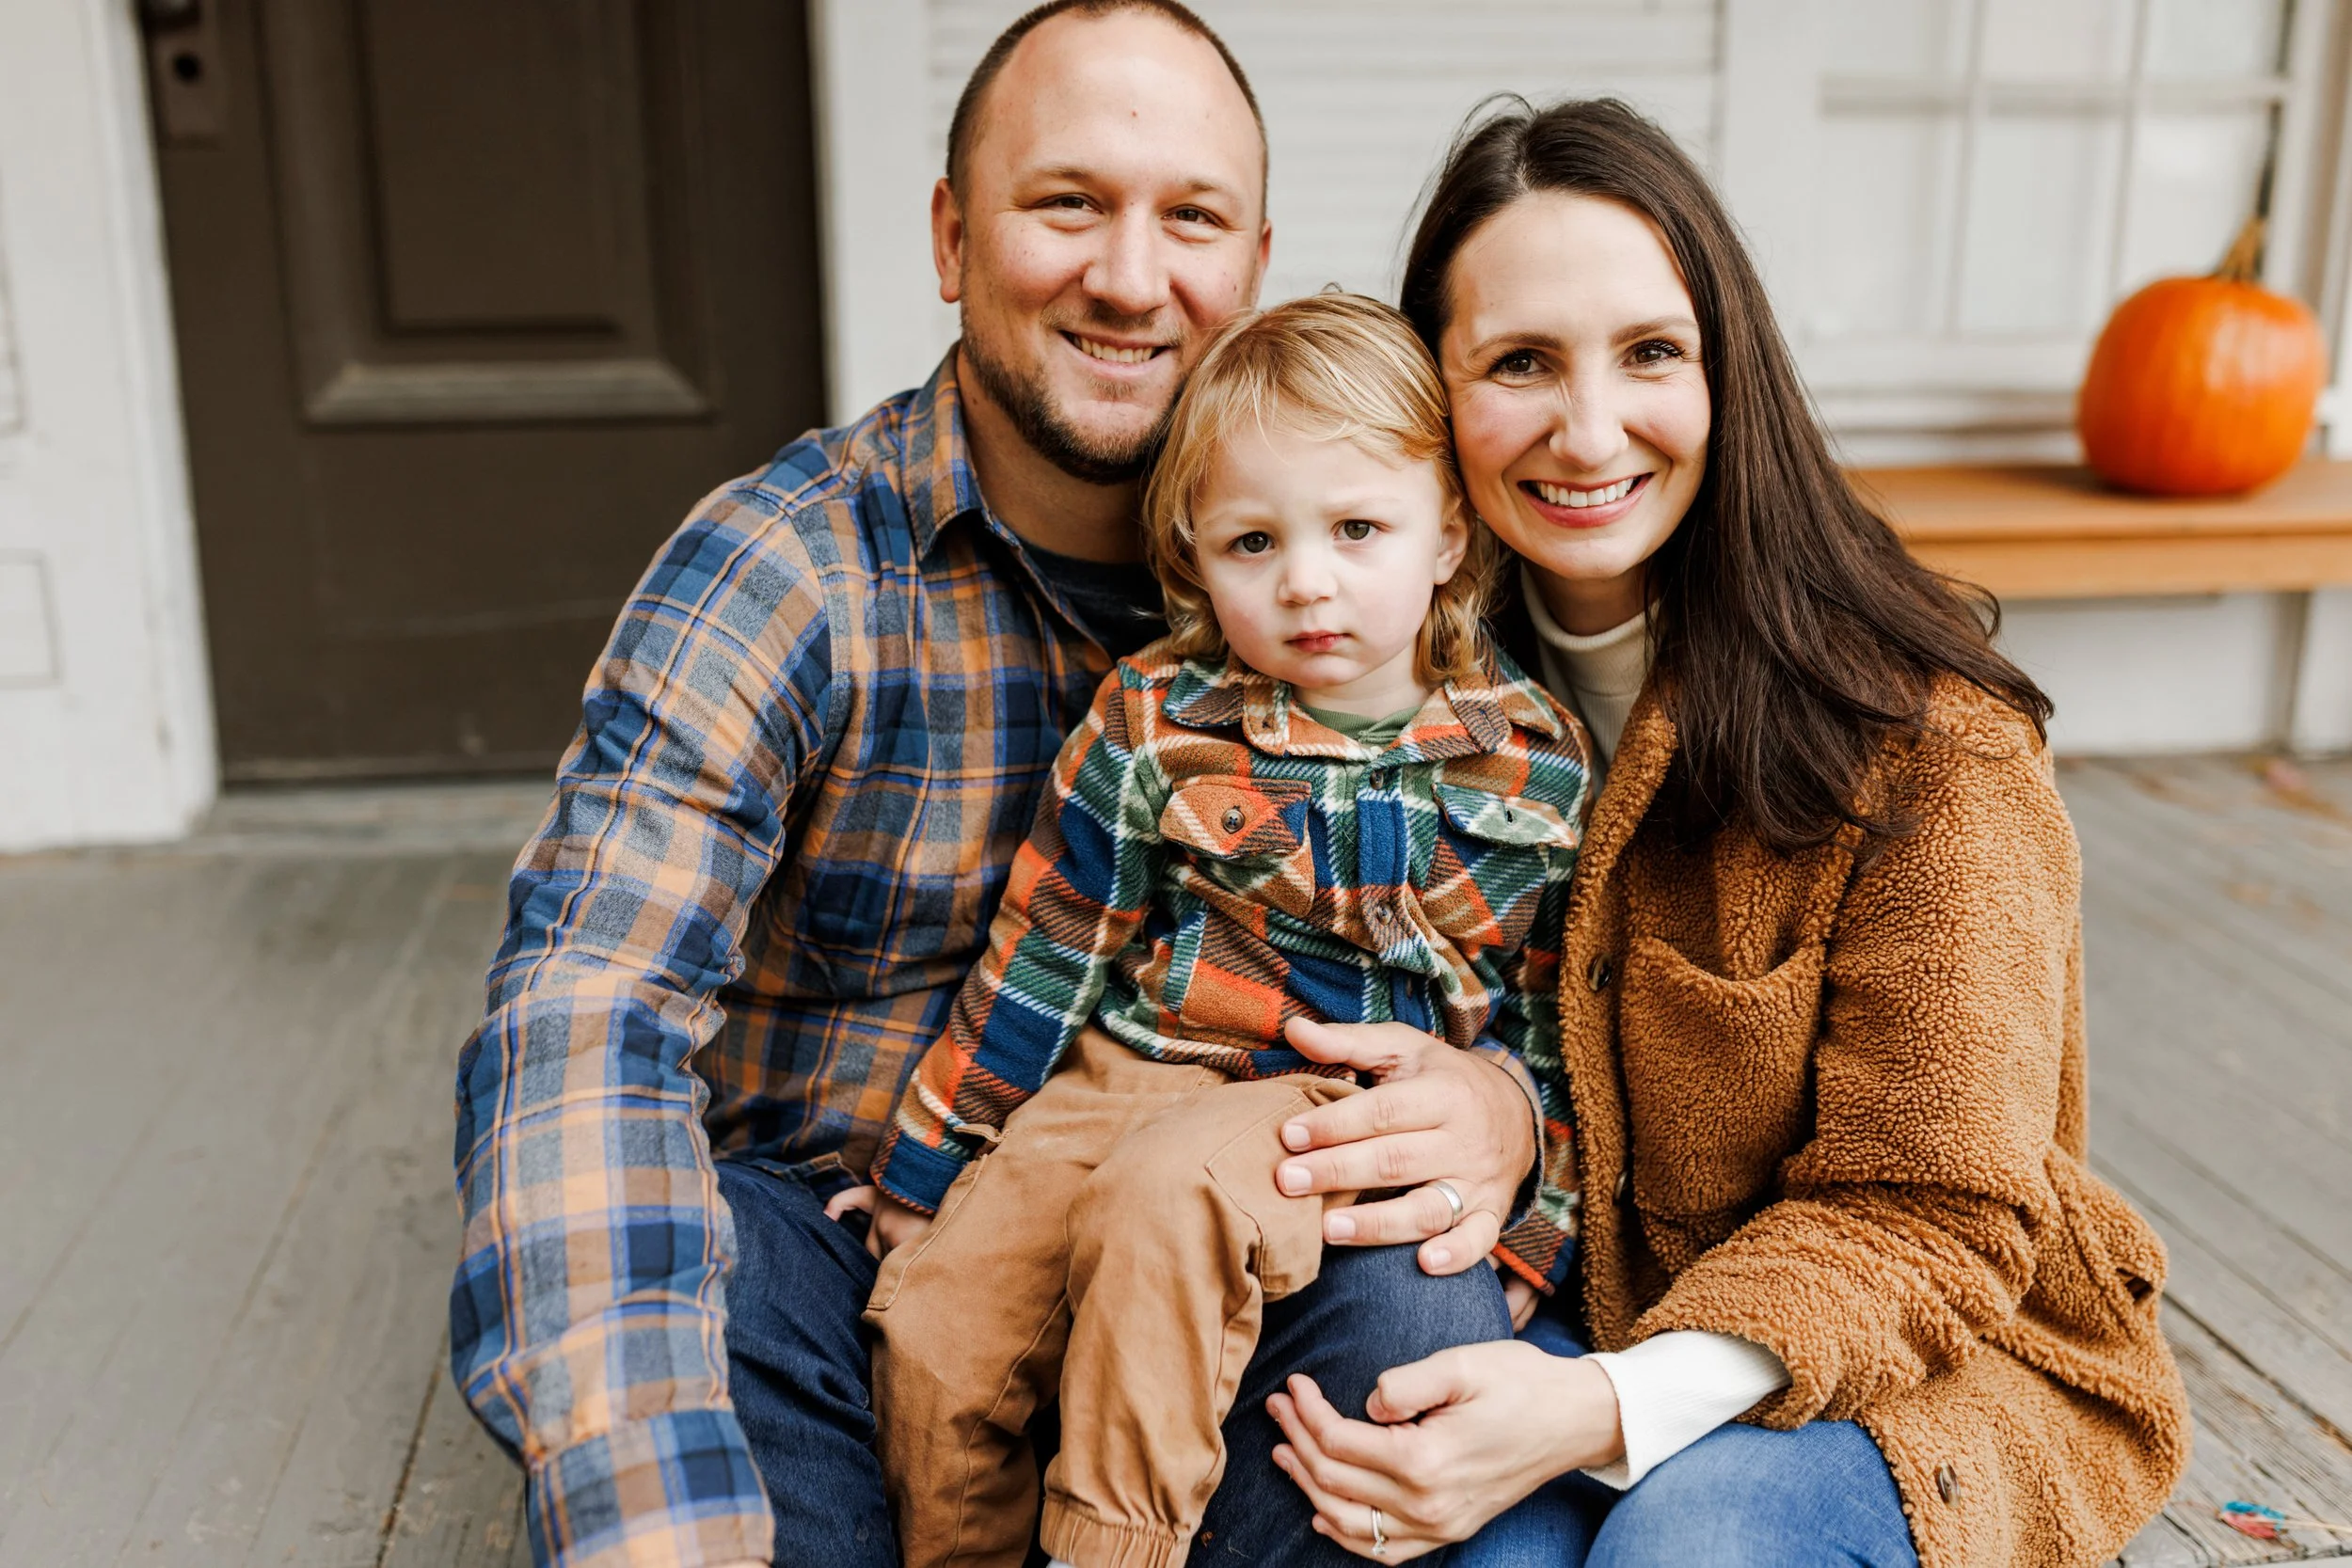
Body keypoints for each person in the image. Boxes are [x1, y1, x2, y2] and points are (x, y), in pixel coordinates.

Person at [448, 8, 1548, 1567]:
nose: (1128, 274)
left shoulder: (1386, 576)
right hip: (853, 1238)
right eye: (1066, 204)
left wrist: (1506, 1101)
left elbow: (1549, 943)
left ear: (1253, 263)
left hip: (1225, 1204)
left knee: (1412, 1285)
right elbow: (583, 1014)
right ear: (955, 238)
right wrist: (647, 1508)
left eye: (1191, 217)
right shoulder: (783, 570)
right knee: (734, 1289)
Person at [1256, 100, 2192, 1567]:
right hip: (1576, 1305)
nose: (1587, 428)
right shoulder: (1381, 691)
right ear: (1432, 397)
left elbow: (1931, 1210)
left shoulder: (1928, 741)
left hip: (1925, 1351)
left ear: (1727, 372)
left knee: (1693, 1546)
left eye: (1648, 353)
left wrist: (1596, 1408)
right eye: (1519, 363)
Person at [838, 294, 1589, 1568]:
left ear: (1449, 533)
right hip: (1130, 1066)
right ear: (1192, 553)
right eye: (1252, 541)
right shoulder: (1156, 718)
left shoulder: (1529, 764)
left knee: (1164, 1203)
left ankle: (1106, 1550)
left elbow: (1552, 1019)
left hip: (1314, 1093)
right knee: (936, 1329)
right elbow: (1045, 951)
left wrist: (1540, 1219)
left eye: (1358, 528)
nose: (1307, 580)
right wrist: (925, 1174)